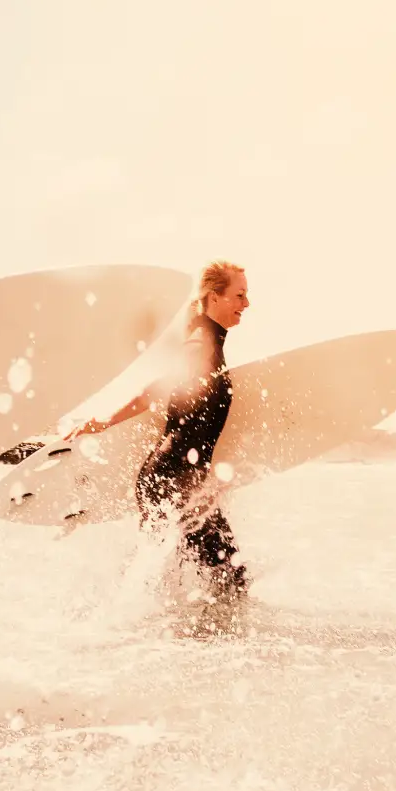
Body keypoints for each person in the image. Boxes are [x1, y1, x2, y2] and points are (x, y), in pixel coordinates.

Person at [71, 261, 250, 609]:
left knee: (178, 580)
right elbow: (160, 386)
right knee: (230, 580)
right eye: (239, 295)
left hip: (173, 479)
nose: (247, 303)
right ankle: (113, 625)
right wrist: (104, 420)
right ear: (215, 297)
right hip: (172, 479)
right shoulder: (201, 341)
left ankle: (115, 622)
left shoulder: (207, 339)